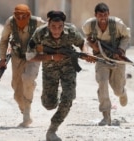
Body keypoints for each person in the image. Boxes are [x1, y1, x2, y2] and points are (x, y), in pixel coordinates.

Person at [26, 10, 94, 141]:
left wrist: (86, 52)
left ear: (64, 25)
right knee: (49, 104)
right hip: (50, 68)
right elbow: (29, 56)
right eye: (53, 27)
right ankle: (53, 96)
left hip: (69, 67)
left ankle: (52, 130)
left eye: (60, 27)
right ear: (48, 24)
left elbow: (82, 43)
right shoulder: (40, 33)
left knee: (68, 97)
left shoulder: (71, 31)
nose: (57, 30)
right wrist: (52, 56)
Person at [0, 4, 46, 127]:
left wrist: (45, 47)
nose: (20, 18)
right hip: (17, 57)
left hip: (33, 56)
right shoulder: (11, 22)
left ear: (29, 15)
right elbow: (3, 40)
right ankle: (24, 109)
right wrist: (2, 58)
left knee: (28, 79)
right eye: (18, 15)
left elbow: (52, 33)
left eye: (24, 16)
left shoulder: (37, 22)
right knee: (17, 90)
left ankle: (27, 116)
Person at [82, 2, 130, 126]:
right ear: (95, 15)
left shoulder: (117, 24)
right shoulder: (89, 25)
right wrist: (92, 45)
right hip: (101, 58)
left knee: (117, 90)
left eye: (105, 15)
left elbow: (126, 36)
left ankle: (123, 93)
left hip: (117, 59)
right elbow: (87, 36)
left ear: (109, 14)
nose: (102, 18)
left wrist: (121, 50)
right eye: (100, 15)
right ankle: (106, 115)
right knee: (102, 83)